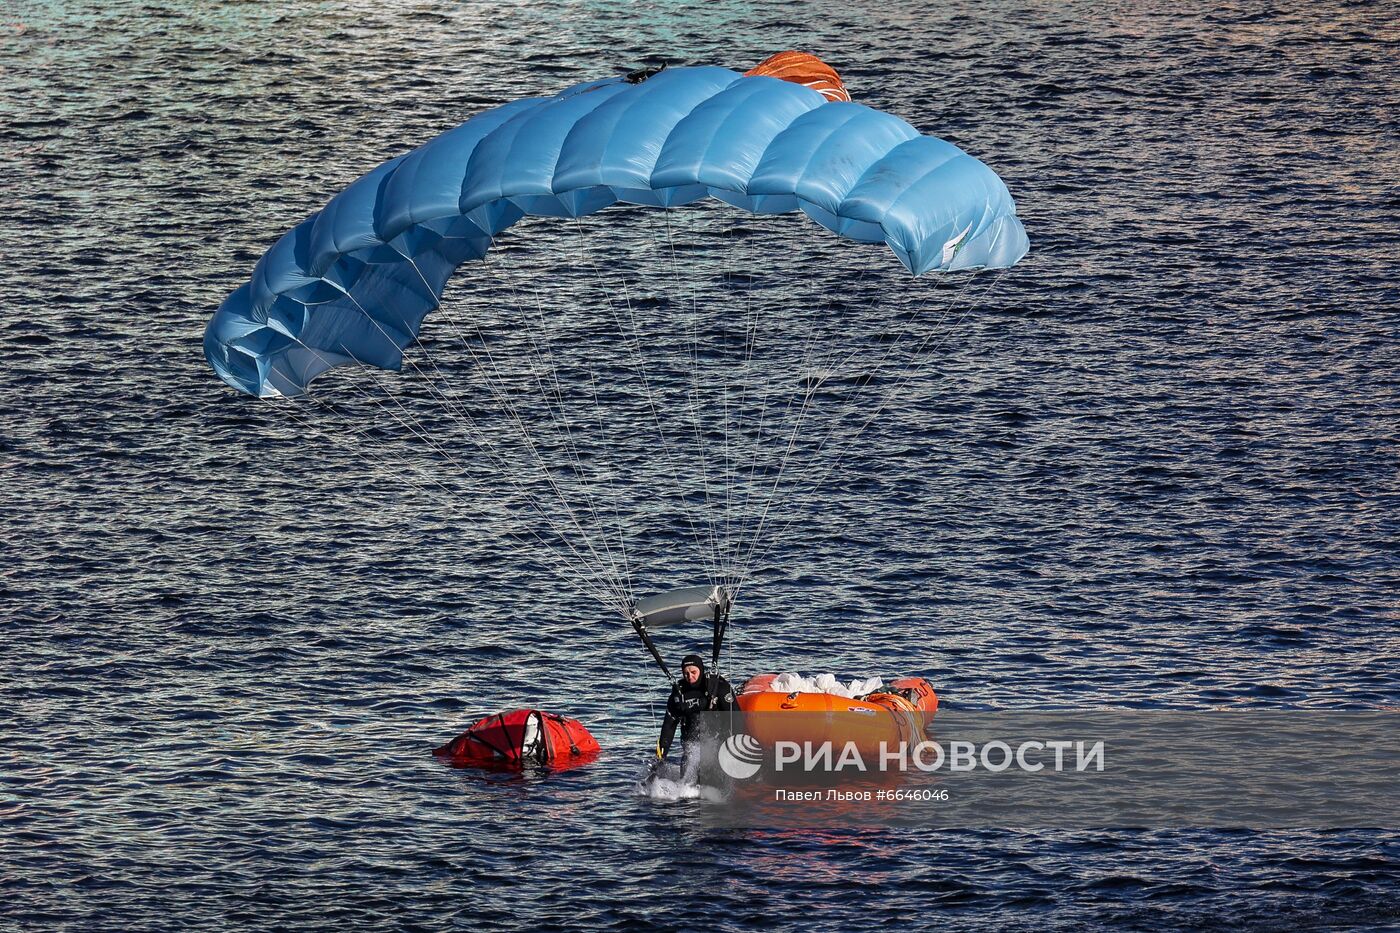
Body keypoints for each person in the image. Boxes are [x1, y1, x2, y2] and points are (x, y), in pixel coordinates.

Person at [656, 654, 734, 761]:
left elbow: (735, 718)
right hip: (690, 753)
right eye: (686, 673)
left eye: (693, 672)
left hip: (718, 749)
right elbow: (668, 728)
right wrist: (660, 758)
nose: (690, 677)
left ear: (700, 670)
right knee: (689, 770)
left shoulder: (718, 687)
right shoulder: (679, 694)